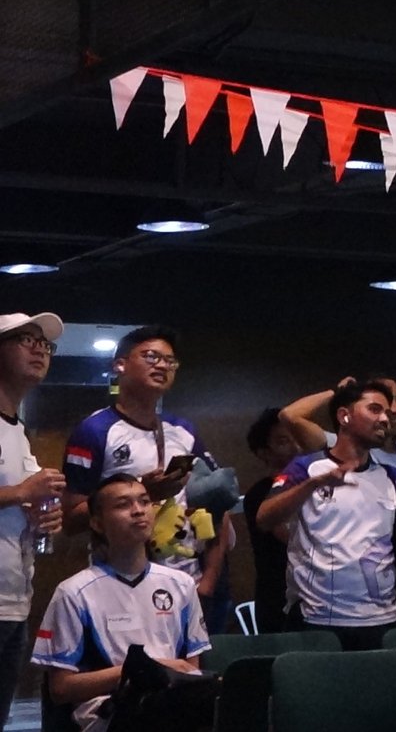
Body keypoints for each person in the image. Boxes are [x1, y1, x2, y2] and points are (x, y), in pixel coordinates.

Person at [61, 326, 232, 621]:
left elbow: (217, 506)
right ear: (120, 365)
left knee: (187, 667)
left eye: (170, 360)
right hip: (119, 581)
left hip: (187, 583)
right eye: (151, 357)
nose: (163, 365)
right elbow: (72, 519)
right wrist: (144, 493)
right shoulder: (95, 430)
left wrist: (208, 583)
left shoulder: (184, 431)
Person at [33, 474, 210, 732]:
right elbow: (60, 689)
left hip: (171, 705)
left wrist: (163, 675)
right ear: (97, 523)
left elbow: (190, 669)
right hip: (108, 713)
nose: (138, 511)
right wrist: (141, 671)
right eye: (123, 505)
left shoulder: (181, 584)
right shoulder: (74, 593)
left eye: (144, 501)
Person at [257, 379, 396, 650]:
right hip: (316, 619)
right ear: (344, 416)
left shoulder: (392, 477)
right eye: (375, 410)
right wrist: (315, 484)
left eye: (387, 413)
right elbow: (264, 518)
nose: (385, 419)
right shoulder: (307, 467)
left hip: (380, 618)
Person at [0, 312, 66, 724]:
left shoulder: (18, 429)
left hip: (14, 601)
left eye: (45, 343)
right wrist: (23, 492)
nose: (39, 348)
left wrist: (39, 514)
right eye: (26, 339)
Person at [242, 406, 300, 634]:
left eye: (297, 437)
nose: (296, 447)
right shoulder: (260, 493)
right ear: (263, 452)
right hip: (277, 596)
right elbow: (287, 534)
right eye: (284, 441)